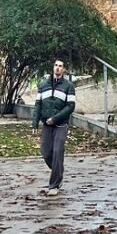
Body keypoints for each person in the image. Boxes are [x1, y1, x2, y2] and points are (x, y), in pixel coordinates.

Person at [32, 59, 76, 197]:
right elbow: (38, 105)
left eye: (60, 66)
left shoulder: (69, 86)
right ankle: (59, 173)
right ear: (53, 67)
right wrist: (35, 123)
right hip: (46, 124)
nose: (58, 68)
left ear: (64, 69)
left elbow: (71, 106)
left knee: (57, 151)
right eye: (56, 65)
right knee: (46, 152)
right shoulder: (43, 85)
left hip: (61, 124)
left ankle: (54, 185)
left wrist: (55, 118)